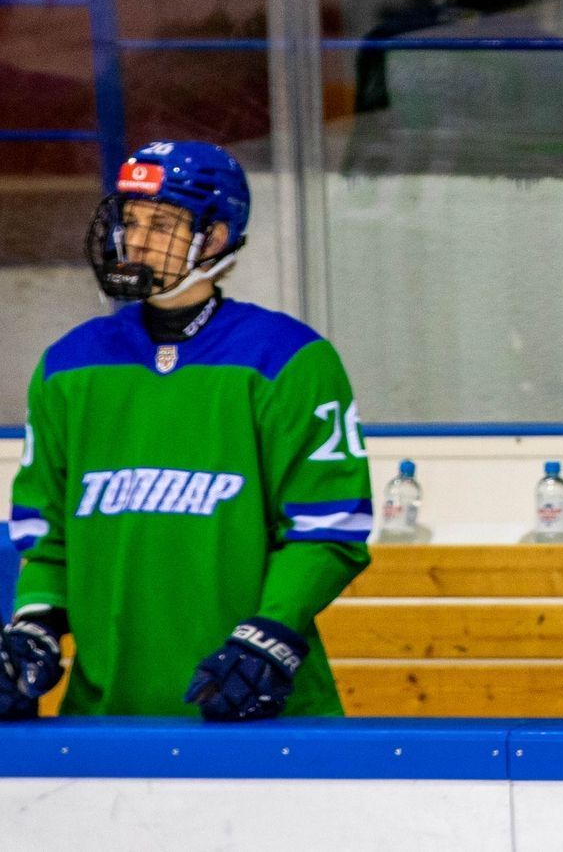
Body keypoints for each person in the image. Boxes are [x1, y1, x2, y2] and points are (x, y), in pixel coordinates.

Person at [1, 142, 372, 721]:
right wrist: (36, 626)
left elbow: (328, 528)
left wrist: (269, 634)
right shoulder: (68, 365)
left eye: (162, 223)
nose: (137, 239)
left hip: (256, 712)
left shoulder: (288, 358)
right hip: (104, 716)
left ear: (216, 237)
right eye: (130, 220)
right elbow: (47, 539)